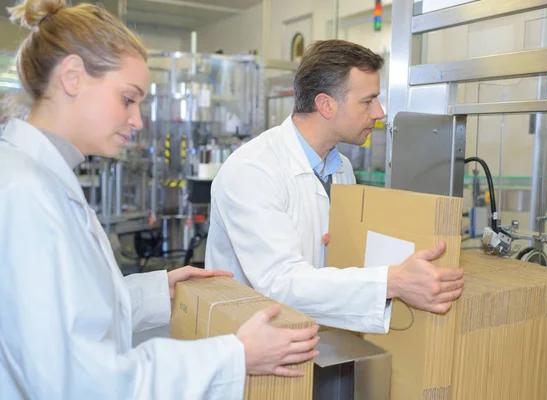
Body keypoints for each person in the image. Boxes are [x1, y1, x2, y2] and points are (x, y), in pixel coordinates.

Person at [0, 1, 319, 399]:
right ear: (73, 77)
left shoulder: (40, 178)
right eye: (128, 99)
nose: (137, 120)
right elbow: (78, 382)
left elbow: (61, 313)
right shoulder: (25, 192)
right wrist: (234, 355)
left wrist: (155, 293)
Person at [205, 40, 465, 334]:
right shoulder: (253, 170)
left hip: (320, 336)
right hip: (251, 348)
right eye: (368, 101)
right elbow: (280, 283)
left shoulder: (341, 167)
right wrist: (394, 281)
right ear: (326, 105)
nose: (379, 112)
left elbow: (334, 262)